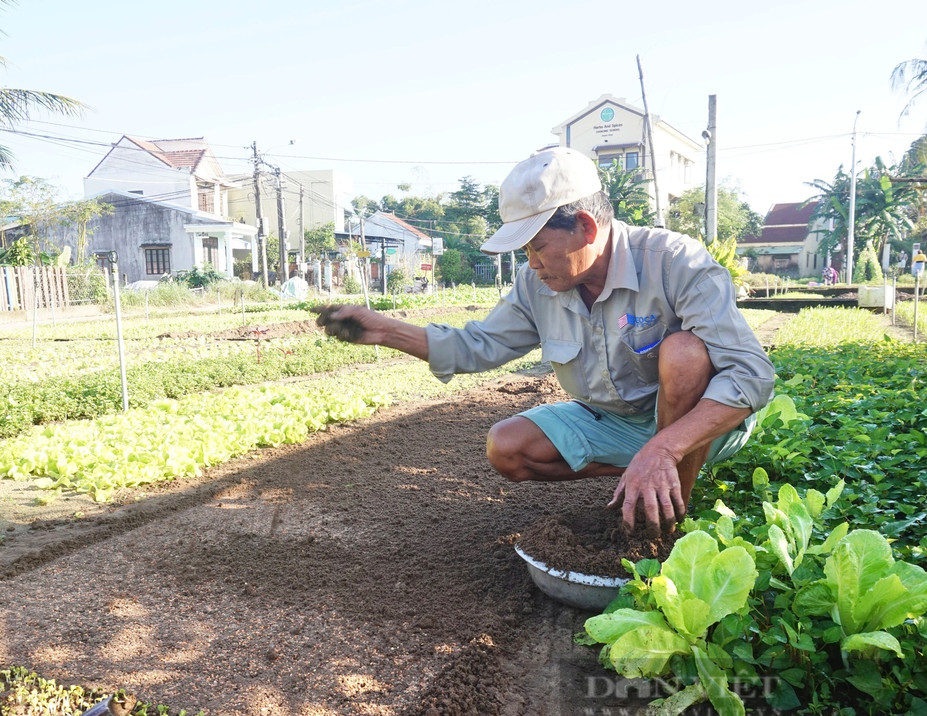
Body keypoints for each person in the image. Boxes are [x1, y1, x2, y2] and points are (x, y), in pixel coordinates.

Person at [314, 147, 775, 536]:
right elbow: (481, 344)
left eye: (536, 247)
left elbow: (751, 376)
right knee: (507, 447)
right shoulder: (537, 284)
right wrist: (386, 331)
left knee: (685, 354)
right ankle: (642, 471)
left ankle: (669, 519)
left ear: (586, 229)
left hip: (694, 428)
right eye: (524, 252)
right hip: (612, 419)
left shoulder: (675, 262)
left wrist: (665, 446)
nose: (531, 263)